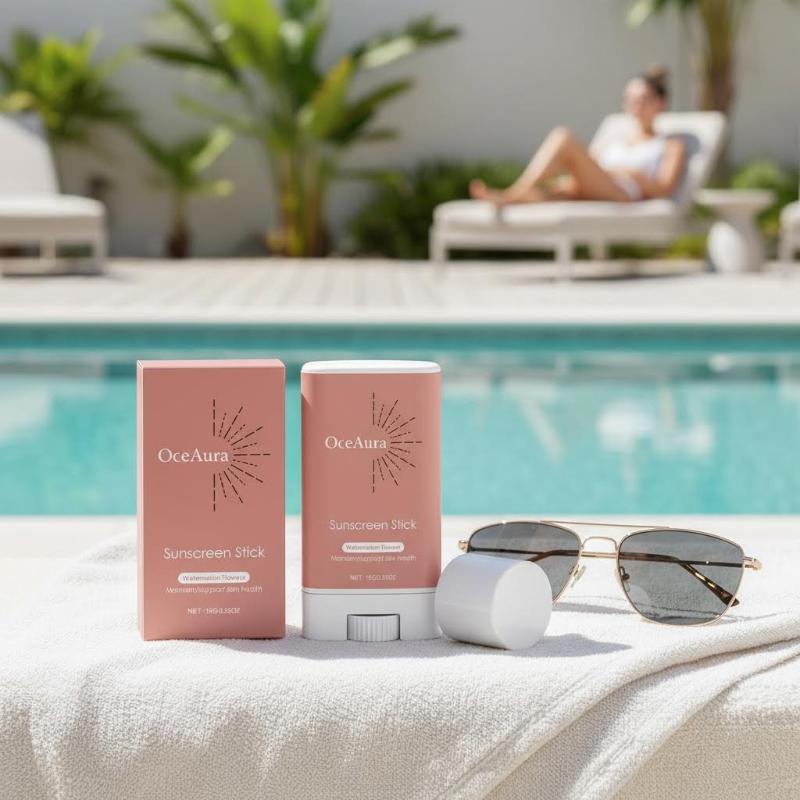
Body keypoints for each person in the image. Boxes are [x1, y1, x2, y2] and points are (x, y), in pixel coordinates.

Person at [469, 66, 686, 206]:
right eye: (630, 100)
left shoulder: (670, 145)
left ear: (661, 102)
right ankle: (511, 198)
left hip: (622, 193)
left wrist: (629, 172)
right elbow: (591, 163)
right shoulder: (618, 140)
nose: (636, 106)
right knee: (546, 195)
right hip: (595, 185)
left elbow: (664, 190)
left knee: (563, 137)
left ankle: (512, 192)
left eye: (643, 100)